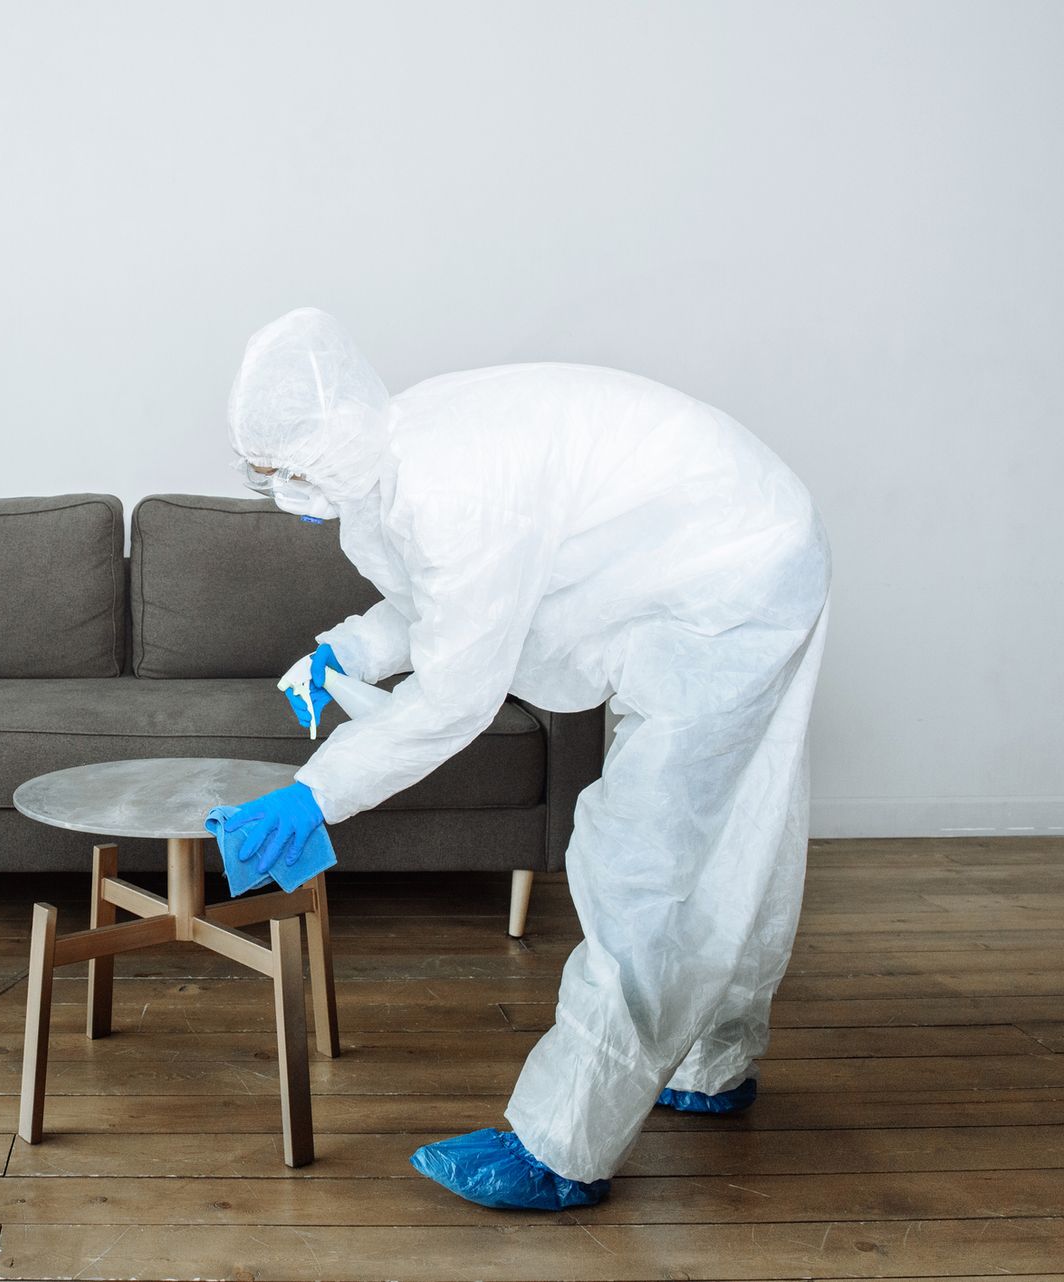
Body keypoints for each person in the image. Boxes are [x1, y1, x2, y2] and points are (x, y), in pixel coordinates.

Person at [219, 308, 830, 1209]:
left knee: (641, 855)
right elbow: (441, 601)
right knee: (732, 825)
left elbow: (458, 694)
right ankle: (711, 1063)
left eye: (287, 473)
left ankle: (561, 1147)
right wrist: (347, 649)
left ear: (330, 445)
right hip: (704, 554)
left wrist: (318, 792)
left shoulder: (456, 487)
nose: (282, 493)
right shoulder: (391, 462)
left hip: (731, 578)